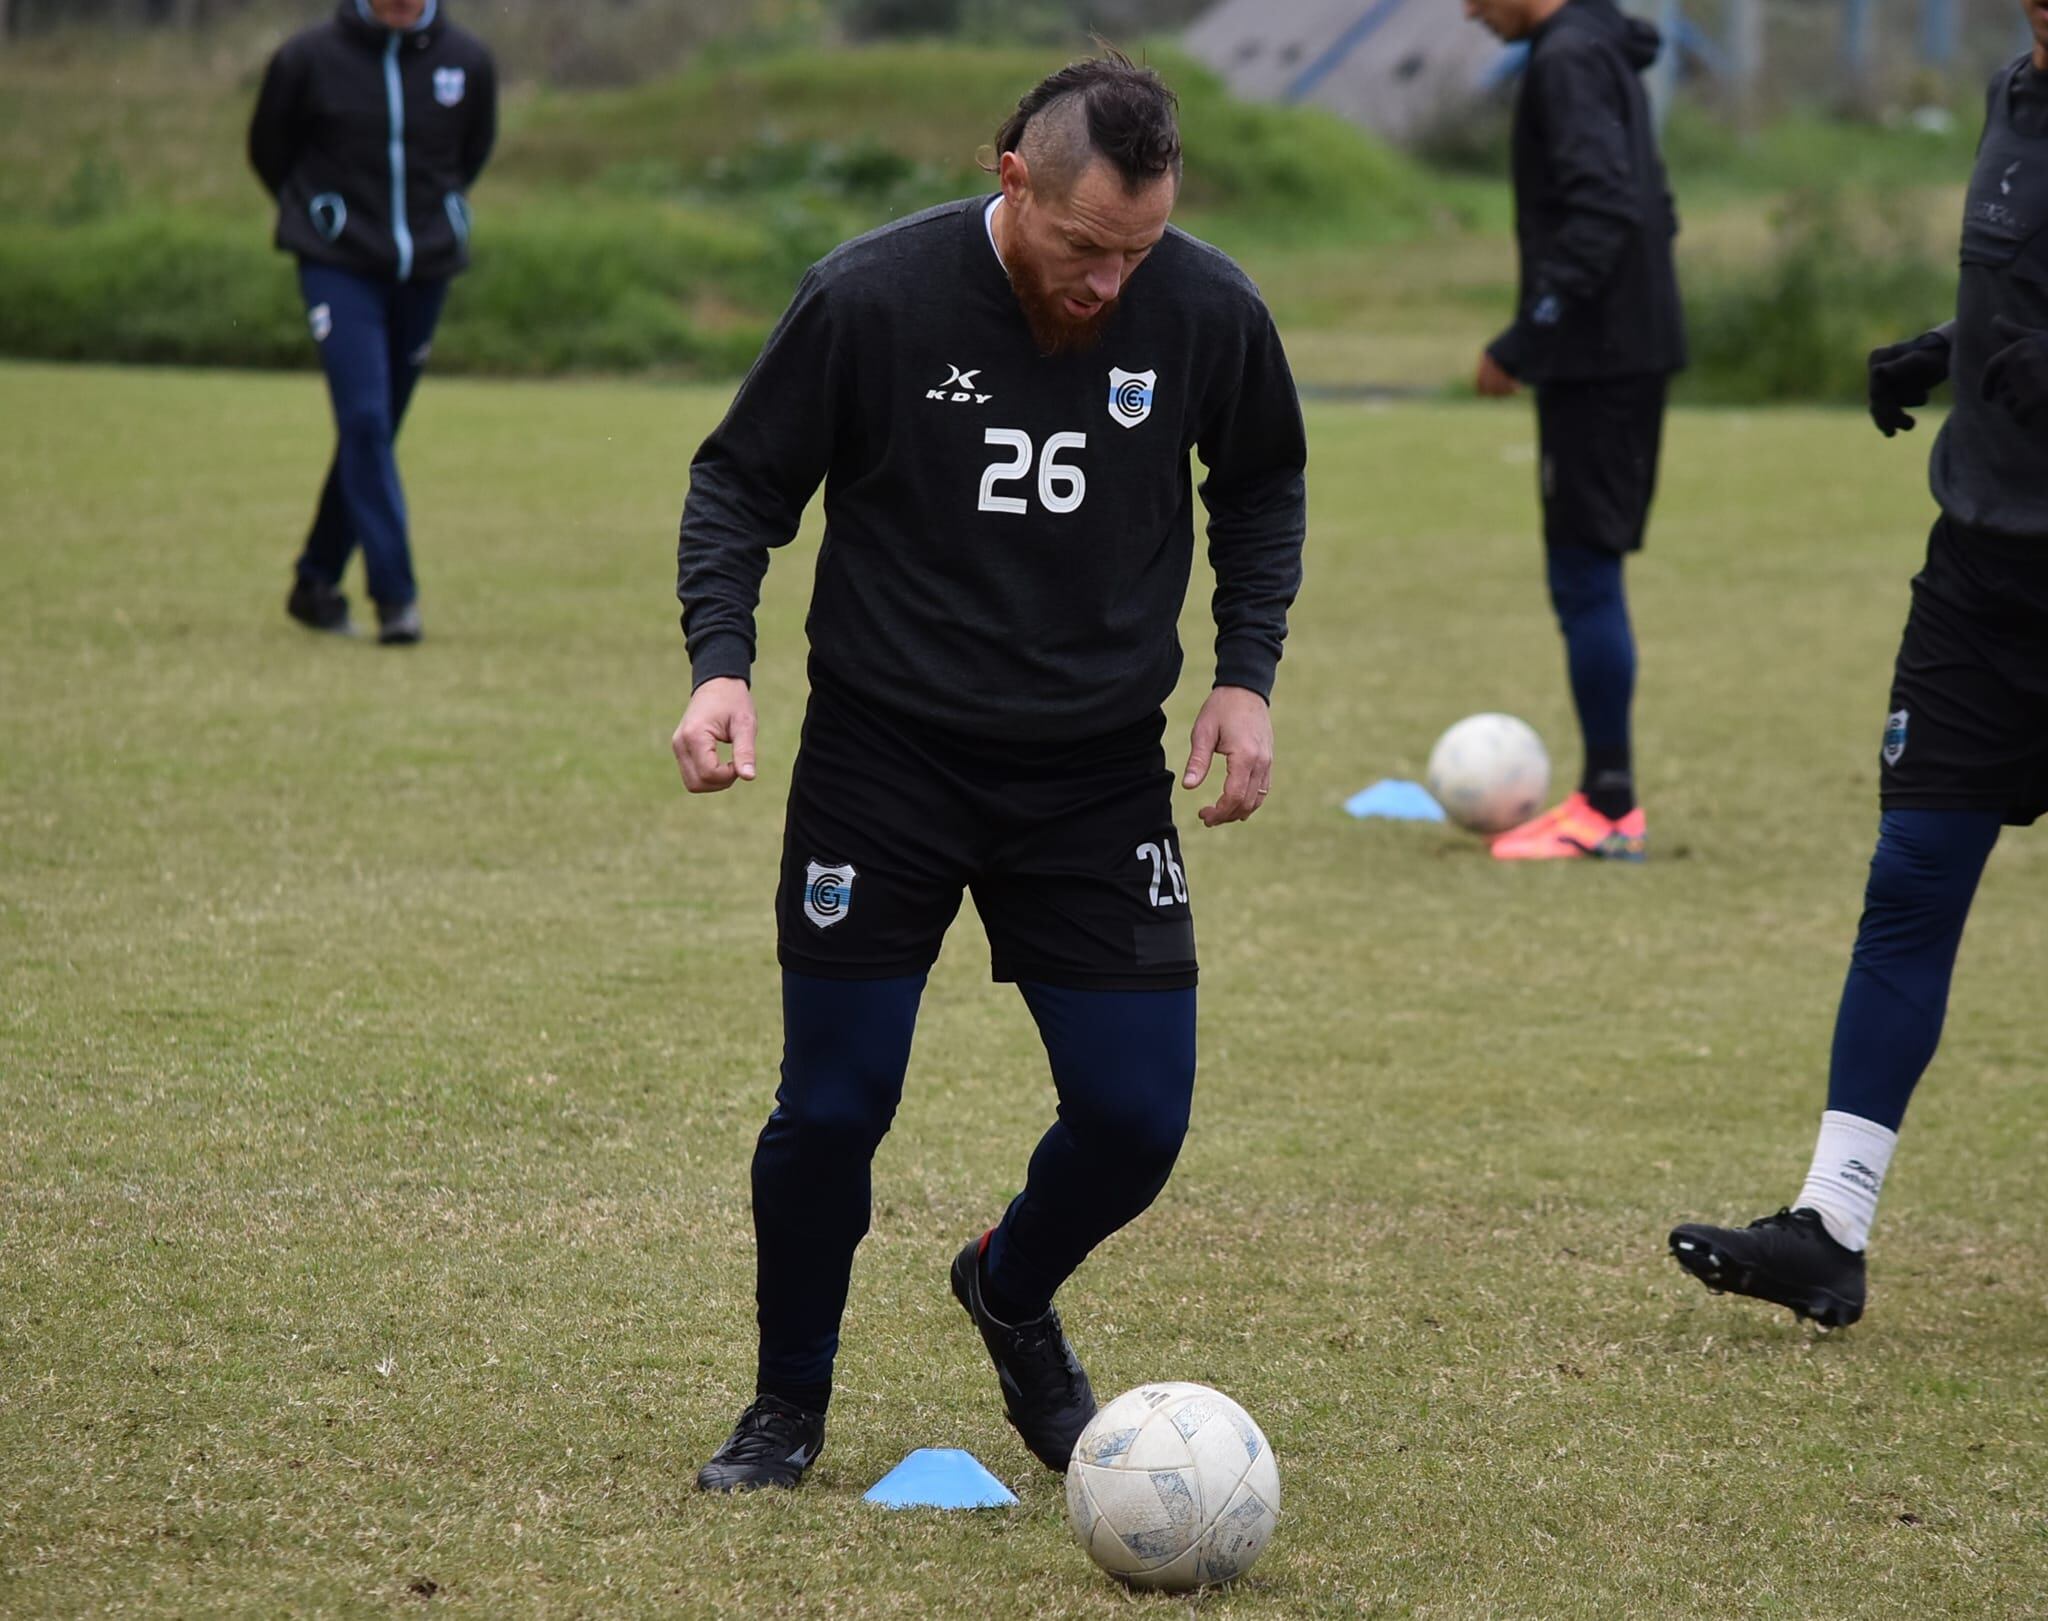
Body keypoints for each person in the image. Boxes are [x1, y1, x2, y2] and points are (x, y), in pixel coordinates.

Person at [673, 51, 1307, 1491]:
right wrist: (722, 660)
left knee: (1138, 1119)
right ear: (1009, 176)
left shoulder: (1205, 305)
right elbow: (739, 483)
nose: (1110, 284)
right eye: (1087, 248)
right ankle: (787, 1405)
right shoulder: (871, 297)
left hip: (1093, 774)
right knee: (834, 1106)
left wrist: (1245, 674)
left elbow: (1262, 478)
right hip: (882, 757)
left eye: (1139, 250)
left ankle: (1007, 1286)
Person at [1669, 5, 2048, 1329]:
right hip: (1982, 583)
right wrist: (1951, 347)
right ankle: (1831, 1225)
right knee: (1911, 882)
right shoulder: (2017, 95)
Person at [1464, 0, 1686, 860]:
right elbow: (1646, 203)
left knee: (1584, 575)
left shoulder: (1566, 59)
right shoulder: (1597, 44)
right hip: (1617, 352)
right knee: (1586, 574)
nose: (1468, 11)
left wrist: (1528, 335)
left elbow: (1606, 211)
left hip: (1600, 361)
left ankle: (1608, 807)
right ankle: (1606, 797)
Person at [249, 0, 497, 645]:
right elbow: (269, 150)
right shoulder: (307, 59)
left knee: (374, 430)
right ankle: (396, 597)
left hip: (426, 267)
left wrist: (433, 218)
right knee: (363, 420)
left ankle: (315, 581)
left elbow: (471, 152)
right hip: (336, 262)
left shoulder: (467, 60)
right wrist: (322, 214)